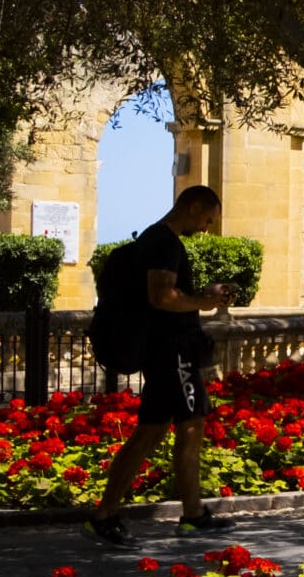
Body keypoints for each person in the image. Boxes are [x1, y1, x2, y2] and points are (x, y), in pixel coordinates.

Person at [85, 186, 237, 547]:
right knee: (188, 427)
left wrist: (205, 294)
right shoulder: (164, 242)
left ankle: (115, 515)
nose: (205, 228)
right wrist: (205, 300)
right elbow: (162, 297)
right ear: (194, 206)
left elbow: (164, 294)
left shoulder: (157, 240)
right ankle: (189, 515)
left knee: (153, 432)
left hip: (165, 352)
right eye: (206, 219)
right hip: (173, 354)